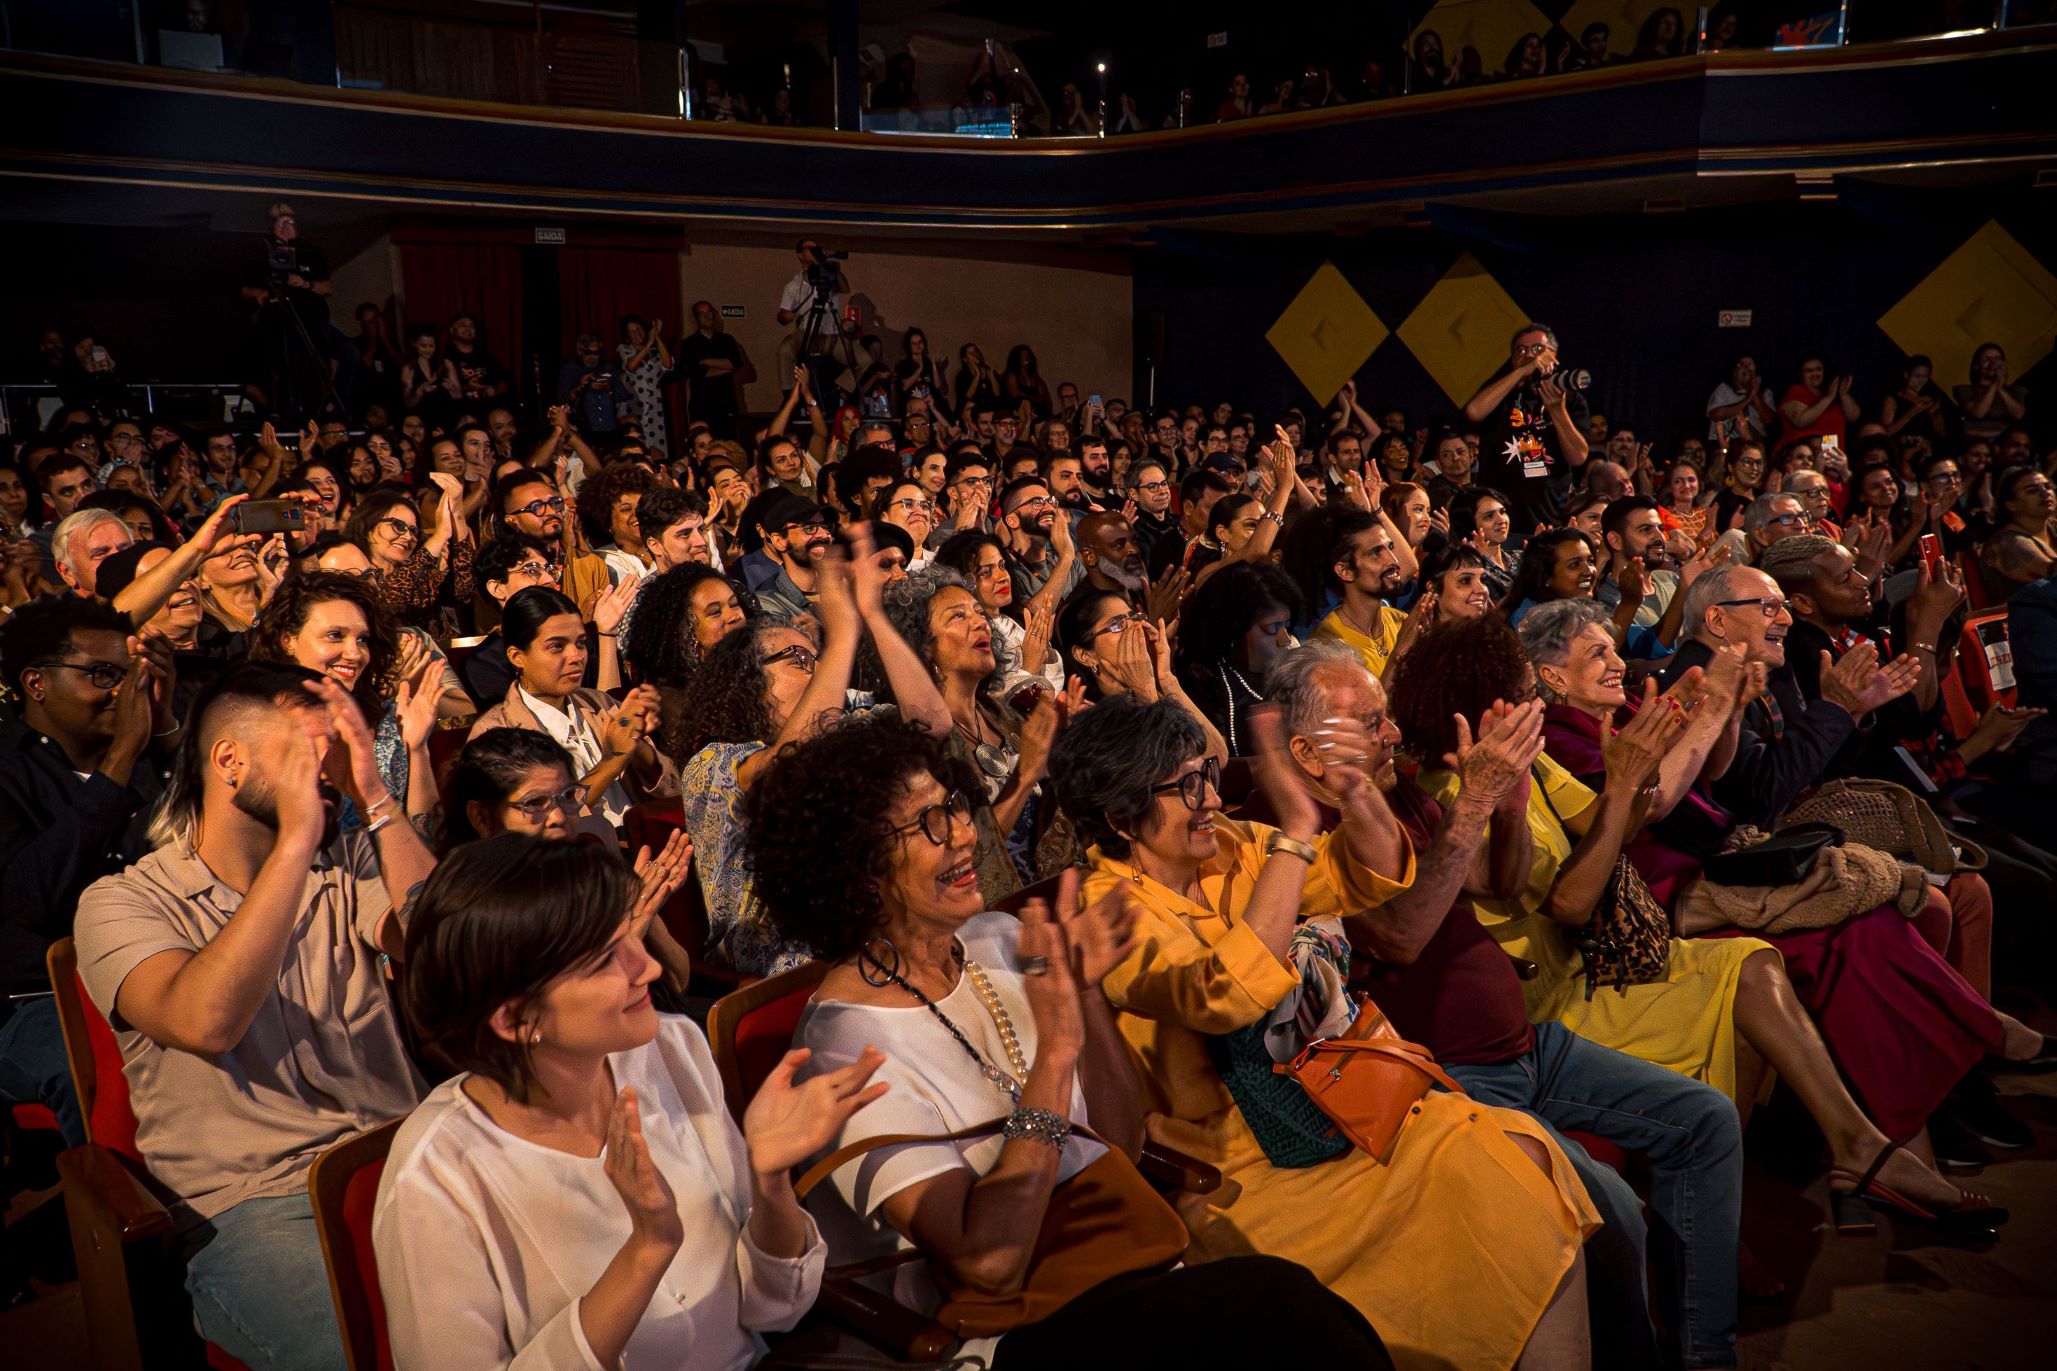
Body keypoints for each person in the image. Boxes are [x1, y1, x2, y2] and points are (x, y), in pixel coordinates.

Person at [742, 715, 1396, 1367]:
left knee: (1298, 1308)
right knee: (1279, 1307)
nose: (967, 833)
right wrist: (1055, 1051)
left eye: (955, 807)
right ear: (856, 865)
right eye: (930, 824)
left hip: (1117, 1262)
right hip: (1007, 1333)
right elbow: (990, 1262)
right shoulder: (842, 1048)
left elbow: (1120, 1141)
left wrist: (1084, 995)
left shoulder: (997, 938)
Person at [1394, 618, 2008, 1235]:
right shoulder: (1456, 786)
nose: (1536, 700)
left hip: (1595, 953)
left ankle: (1857, 1149)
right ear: (1487, 702)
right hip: (1555, 993)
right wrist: (1630, 775)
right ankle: (1838, 1161)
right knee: (1818, 949)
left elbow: (1630, 820)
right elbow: (1569, 901)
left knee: (1754, 962)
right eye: (1526, 687)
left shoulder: (1528, 758)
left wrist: (1646, 759)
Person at [1046, 695, 1599, 1368]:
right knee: (1495, 1175)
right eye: (1186, 785)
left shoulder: (1228, 848)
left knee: (1519, 1148)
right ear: (1120, 816)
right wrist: (1296, 832)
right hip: (1246, 1168)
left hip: (1339, 1104)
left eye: (1207, 773)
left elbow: (1359, 874)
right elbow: (1225, 994)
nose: (1212, 799)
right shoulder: (1111, 910)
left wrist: (1357, 795)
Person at [1267, 642, 1744, 1370]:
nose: (1392, 734)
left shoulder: (1397, 792)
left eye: (1387, 716)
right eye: (1369, 722)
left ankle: (1705, 1354)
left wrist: (1511, 803)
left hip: (1526, 1043)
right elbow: (1399, 935)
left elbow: (1497, 879)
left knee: (1704, 1120)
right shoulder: (1293, 832)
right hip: (1448, 1072)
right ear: (1304, 749)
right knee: (1610, 1205)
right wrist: (1476, 804)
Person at [377, 834, 863, 1371]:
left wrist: (771, 1183)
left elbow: (772, 1311)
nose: (649, 968)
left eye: (630, 937)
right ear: (516, 1019)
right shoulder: (436, 1174)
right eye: (608, 957)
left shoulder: (672, 1048)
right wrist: (647, 1248)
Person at [74, 662, 436, 1370]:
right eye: (308, 751)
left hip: (404, 1157)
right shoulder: (121, 902)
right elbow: (205, 1019)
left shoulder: (351, 866)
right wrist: (298, 840)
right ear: (229, 761)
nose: (325, 769)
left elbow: (450, 950)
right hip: (256, 1204)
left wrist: (376, 796)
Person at [668, 530, 950, 977]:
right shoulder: (713, 762)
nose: (821, 673)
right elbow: (788, 762)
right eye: (798, 659)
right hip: (779, 955)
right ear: (748, 682)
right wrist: (840, 638)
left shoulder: (836, 732)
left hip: (860, 933)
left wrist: (873, 616)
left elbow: (931, 723)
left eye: (819, 661)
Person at [0, 599, 178, 1148]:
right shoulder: (8, 767)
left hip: (151, 969)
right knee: (116, 1071)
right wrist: (120, 760)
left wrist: (165, 729)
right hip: (33, 1000)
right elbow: (29, 902)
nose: (123, 693)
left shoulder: (152, 754)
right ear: (36, 683)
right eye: (102, 675)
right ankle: (127, 1218)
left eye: (130, 676)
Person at [468, 586, 673, 831]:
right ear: (517, 656)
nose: (576, 656)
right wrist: (612, 761)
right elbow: (537, 825)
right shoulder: (495, 732)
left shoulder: (601, 704)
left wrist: (637, 748)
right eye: (557, 647)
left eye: (581, 643)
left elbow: (673, 791)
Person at [1464, 323, 1591, 530]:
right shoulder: (1502, 392)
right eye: (1521, 351)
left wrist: (1557, 410)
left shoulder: (1570, 398)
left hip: (1549, 519)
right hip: (1499, 522)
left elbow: (1578, 457)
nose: (1531, 355)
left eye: (1538, 350)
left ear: (1554, 355)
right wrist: (1524, 370)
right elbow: (1474, 412)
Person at [1172, 560, 1300, 755]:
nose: (1284, 640)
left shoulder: (1297, 673)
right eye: (1272, 628)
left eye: (1287, 625)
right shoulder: (1204, 685)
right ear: (1234, 630)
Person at [619, 563, 751, 739]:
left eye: (734, 604)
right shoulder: (672, 700)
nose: (734, 616)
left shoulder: (756, 664)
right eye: (715, 612)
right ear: (684, 630)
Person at [349, 480, 474, 631]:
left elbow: (462, 589)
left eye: (413, 530)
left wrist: (457, 512)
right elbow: (392, 599)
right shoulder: (356, 575)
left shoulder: (420, 576)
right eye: (398, 526)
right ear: (367, 527)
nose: (408, 537)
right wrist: (441, 533)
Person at [1979, 466, 2055, 602]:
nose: (2045, 493)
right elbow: (2052, 574)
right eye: (2032, 491)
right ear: (2010, 504)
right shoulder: (2006, 543)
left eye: (2048, 486)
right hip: (2029, 620)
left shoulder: (2053, 526)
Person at [678, 300, 746, 437]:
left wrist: (707, 361)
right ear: (696, 318)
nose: (707, 316)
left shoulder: (726, 340)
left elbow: (735, 364)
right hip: (703, 405)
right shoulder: (689, 344)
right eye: (702, 314)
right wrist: (723, 367)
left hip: (727, 403)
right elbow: (700, 372)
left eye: (709, 312)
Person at [1501, 528, 1599, 623]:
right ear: (1546, 577)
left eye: (1590, 561)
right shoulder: (1530, 621)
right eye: (1574, 564)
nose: (1589, 571)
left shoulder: (1583, 610)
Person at [616, 315, 673, 458]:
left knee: (658, 449)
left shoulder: (656, 352)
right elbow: (630, 366)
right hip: (635, 406)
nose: (637, 333)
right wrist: (648, 345)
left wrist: (657, 337)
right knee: (637, 445)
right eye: (632, 331)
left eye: (639, 329)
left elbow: (668, 365)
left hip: (655, 407)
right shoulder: (624, 349)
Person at [1779, 356, 1859, 450]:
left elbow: (1854, 417)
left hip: (1832, 457)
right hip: (1804, 458)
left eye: (1818, 369)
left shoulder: (1832, 396)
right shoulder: (1796, 392)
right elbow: (1801, 421)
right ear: (1800, 374)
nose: (1815, 374)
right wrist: (1829, 398)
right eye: (1809, 371)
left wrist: (1843, 394)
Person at [1954, 343, 2027, 444]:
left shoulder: (2016, 390)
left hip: (2006, 445)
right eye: (1986, 360)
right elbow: (1978, 413)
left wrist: (2000, 389)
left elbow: (2019, 415)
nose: (1993, 364)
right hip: (1975, 443)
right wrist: (1994, 385)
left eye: (1997, 359)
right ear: (1976, 366)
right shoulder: (1964, 390)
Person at [1706, 355, 1775, 448]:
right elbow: (1716, 415)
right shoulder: (1724, 389)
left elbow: (1769, 419)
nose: (1745, 369)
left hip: (1756, 442)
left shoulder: (1764, 392)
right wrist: (1747, 399)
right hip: (1726, 441)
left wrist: (1754, 395)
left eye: (1748, 366)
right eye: (1741, 365)